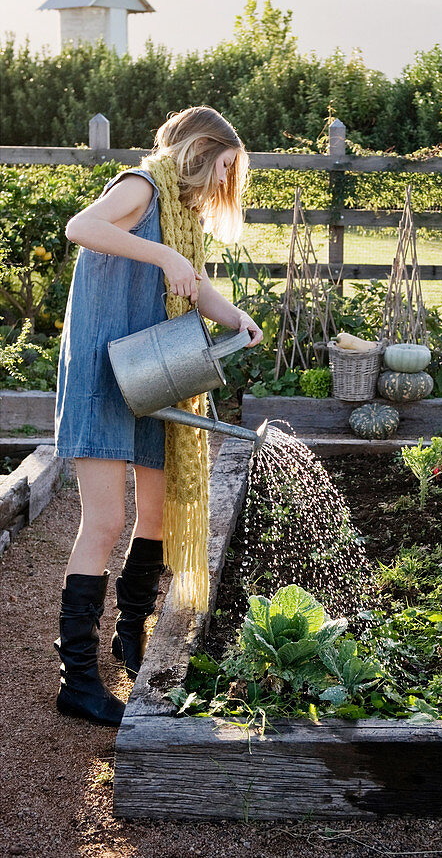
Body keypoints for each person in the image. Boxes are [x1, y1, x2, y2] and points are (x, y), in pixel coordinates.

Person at [54, 106, 263, 727]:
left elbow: (192, 283)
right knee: (107, 520)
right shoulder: (142, 188)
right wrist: (161, 257)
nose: (227, 183)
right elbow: (79, 226)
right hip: (104, 372)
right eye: (226, 166)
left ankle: (130, 635)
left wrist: (236, 320)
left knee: (158, 512)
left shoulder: (183, 212)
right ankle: (78, 680)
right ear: (201, 149)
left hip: (155, 374)